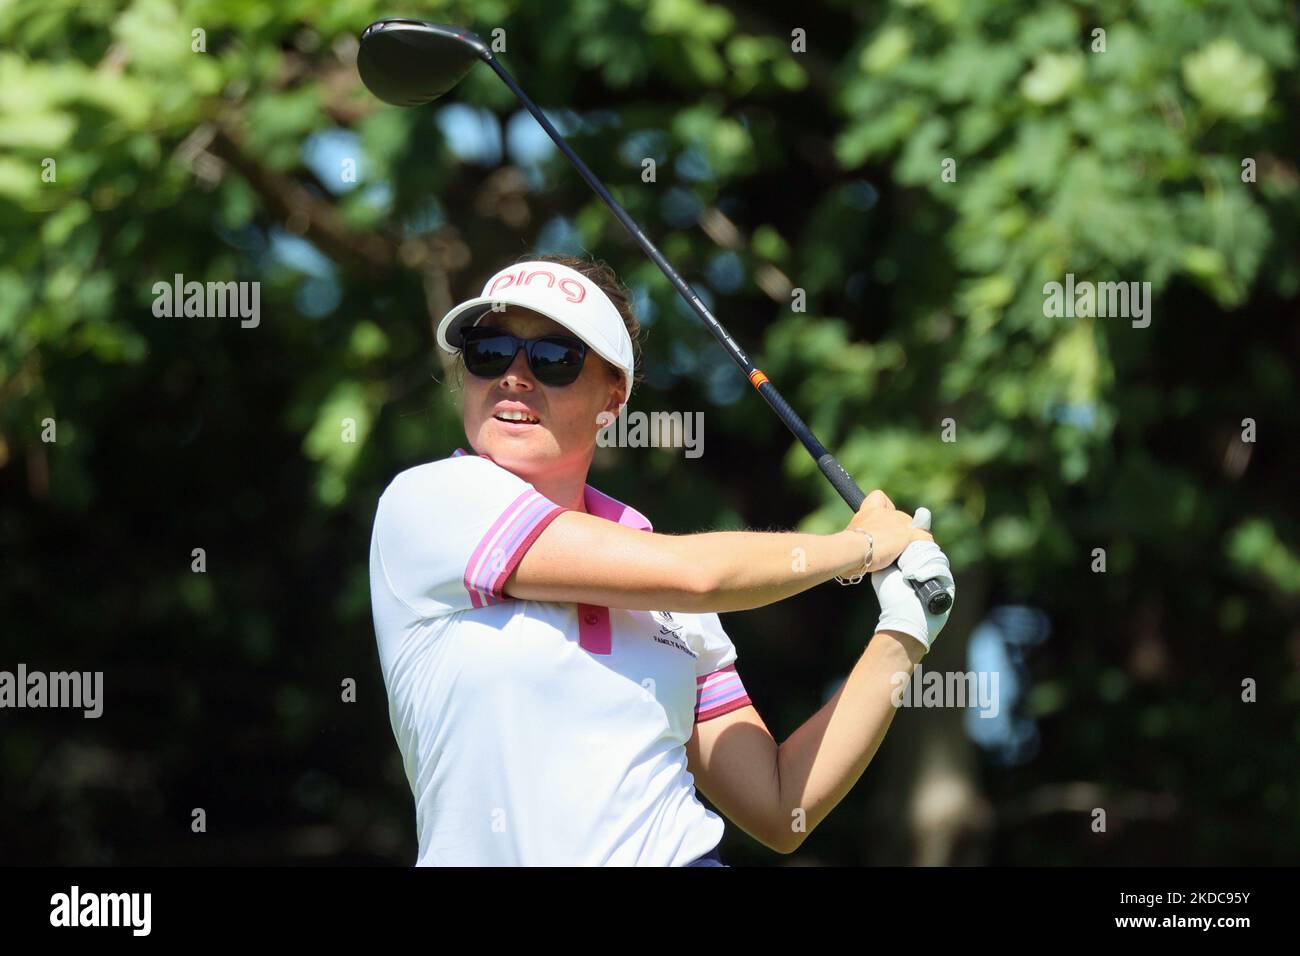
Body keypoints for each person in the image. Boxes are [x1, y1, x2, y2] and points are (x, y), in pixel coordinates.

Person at [368, 253, 956, 866]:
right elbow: (696, 576)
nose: (515, 376)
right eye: (490, 350)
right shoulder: (431, 502)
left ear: (612, 397)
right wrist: (861, 546)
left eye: (553, 359)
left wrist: (904, 633)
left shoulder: (665, 593)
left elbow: (782, 807)